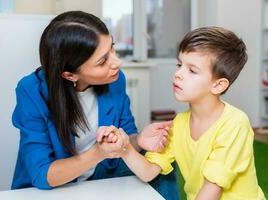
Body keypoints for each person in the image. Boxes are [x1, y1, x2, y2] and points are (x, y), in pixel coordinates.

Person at [11, 11, 179, 200]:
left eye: (112, 48)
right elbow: (42, 174)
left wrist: (138, 139)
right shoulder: (31, 91)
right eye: (102, 61)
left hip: (103, 176)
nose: (117, 62)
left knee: (165, 167)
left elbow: (125, 134)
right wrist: (97, 153)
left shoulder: (116, 80)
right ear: (69, 75)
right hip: (54, 186)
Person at [110, 27, 266, 199]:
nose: (178, 74)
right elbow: (148, 172)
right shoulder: (179, 123)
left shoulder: (235, 123)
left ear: (218, 85)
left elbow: (211, 190)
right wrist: (124, 148)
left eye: (192, 70)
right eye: (179, 65)